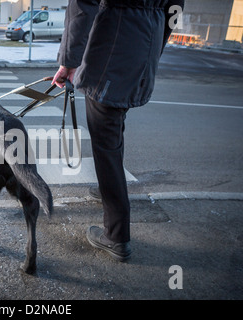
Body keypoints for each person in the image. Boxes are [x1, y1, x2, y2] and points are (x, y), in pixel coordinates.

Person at [52, 0, 184, 261]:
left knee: (106, 141)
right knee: (113, 129)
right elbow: (175, 8)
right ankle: (108, 187)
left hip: (112, 45)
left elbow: (82, 4)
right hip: (144, 46)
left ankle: (116, 235)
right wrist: (152, 46)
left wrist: (68, 61)